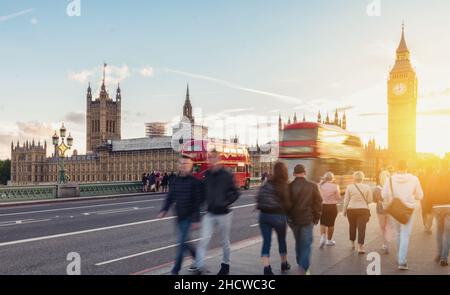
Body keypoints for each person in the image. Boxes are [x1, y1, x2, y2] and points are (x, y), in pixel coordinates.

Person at [194, 150, 241, 275]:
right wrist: (197, 214)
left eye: (213, 158)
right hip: (210, 213)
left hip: (224, 213)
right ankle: (199, 266)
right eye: (209, 158)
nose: (211, 161)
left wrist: (226, 202)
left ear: (218, 159)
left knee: (224, 241)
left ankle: (225, 265)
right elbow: (201, 196)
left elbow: (237, 192)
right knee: (204, 239)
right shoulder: (206, 175)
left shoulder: (226, 174)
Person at [157, 155, 202, 275]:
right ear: (178, 165)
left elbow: (198, 202)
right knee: (185, 243)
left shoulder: (195, 182)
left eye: (186, 164)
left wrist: (195, 219)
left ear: (191, 166)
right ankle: (199, 261)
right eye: (181, 163)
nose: (183, 166)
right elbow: (170, 197)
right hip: (179, 217)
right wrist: (164, 209)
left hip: (189, 217)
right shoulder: (175, 180)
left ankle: (174, 271)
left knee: (181, 244)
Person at [382, 160, 424, 270]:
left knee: (399, 233)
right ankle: (402, 261)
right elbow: (420, 195)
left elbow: (383, 194)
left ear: (396, 168)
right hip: (408, 210)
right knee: (405, 234)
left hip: (394, 210)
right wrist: (411, 196)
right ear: (407, 167)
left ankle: (400, 256)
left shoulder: (390, 179)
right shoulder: (414, 179)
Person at [256, 162, 291, 275]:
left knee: (266, 241)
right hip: (278, 216)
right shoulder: (284, 185)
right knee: (281, 240)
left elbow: (258, 198)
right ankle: (284, 264)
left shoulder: (266, 183)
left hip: (263, 216)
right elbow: (288, 204)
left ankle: (267, 268)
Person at [287, 164, 322, 275]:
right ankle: (303, 267)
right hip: (308, 219)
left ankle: (300, 263)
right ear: (305, 173)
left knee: (298, 242)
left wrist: (289, 219)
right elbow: (318, 203)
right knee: (306, 244)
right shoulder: (312, 186)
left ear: (294, 174)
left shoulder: (289, 186)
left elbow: (286, 205)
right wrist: (316, 218)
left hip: (294, 220)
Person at [424, 160, 450, 266]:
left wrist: (428, 208)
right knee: (448, 233)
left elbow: (429, 191)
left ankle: (439, 253)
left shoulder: (434, 176)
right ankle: (444, 258)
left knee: (439, 231)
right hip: (449, 207)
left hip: (437, 206)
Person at [343, 171, 373, 254]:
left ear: (354, 178)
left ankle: (352, 243)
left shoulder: (349, 187)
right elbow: (370, 200)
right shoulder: (367, 187)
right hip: (363, 210)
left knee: (352, 226)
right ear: (362, 178)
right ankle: (360, 247)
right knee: (361, 228)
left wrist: (344, 211)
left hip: (351, 209)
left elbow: (346, 200)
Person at [318, 172, 340, 248]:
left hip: (322, 206)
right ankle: (329, 240)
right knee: (331, 224)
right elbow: (338, 198)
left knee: (322, 223)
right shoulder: (335, 186)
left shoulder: (320, 185)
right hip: (332, 207)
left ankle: (322, 237)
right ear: (332, 178)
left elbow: (318, 197)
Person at [373, 169, 393, 254]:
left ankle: (385, 243)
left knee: (383, 227)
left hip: (380, 209)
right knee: (388, 226)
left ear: (380, 178)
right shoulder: (392, 188)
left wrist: (380, 200)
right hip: (390, 209)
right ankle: (387, 243)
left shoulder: (377, 189)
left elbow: (374, 200)